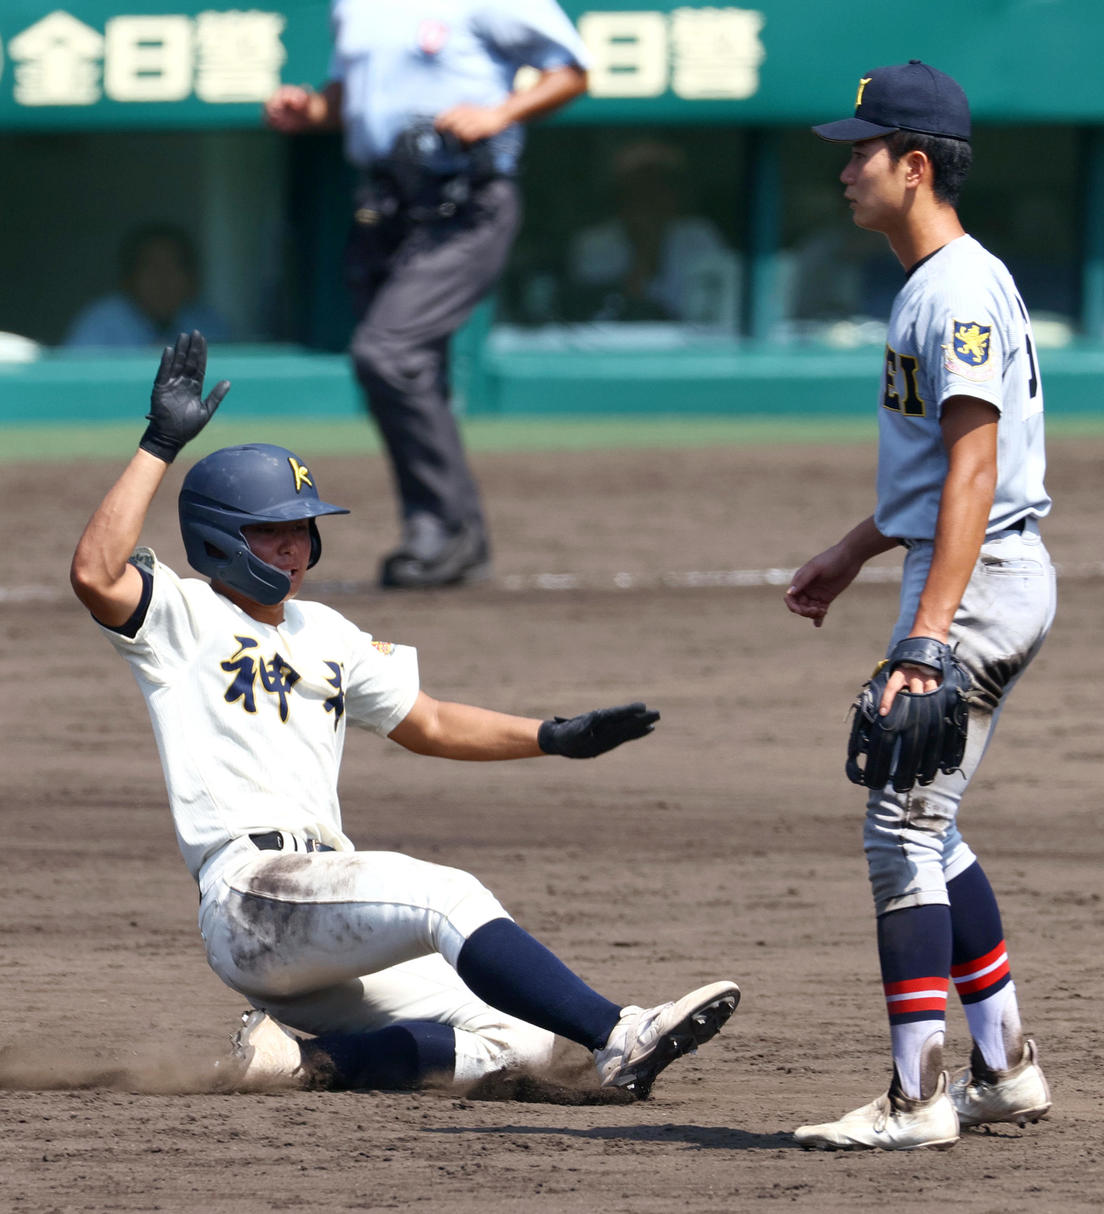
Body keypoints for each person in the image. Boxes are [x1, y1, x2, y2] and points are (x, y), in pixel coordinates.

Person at [69, 331, 740, 1096]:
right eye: (272, 530)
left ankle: (301, 1063)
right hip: (254, 895)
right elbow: (95, 573)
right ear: (220, 537)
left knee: (527, 1042)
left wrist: (552, 737)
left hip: (323, 909)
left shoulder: (325, 631)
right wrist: (159, 444)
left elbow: (430, 723)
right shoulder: (181, 618)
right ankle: (622, 1033)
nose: (293, 547)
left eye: (302, 528)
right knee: (444, 894)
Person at [783, 61, 1056, 1151]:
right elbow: (938, 475)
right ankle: (1004, 1069)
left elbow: (974, 470)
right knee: (931, 828)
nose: (845, 168)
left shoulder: (953, 291)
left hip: (977, 583)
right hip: (976, 571)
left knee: (898, 828)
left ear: (915, 166)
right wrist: (854, 549)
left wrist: (927, 637)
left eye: (862, 150)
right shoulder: (938, 281)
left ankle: (916, 1099)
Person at [263, 2, 589, 591]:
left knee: (388, 353)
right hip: (386, 205)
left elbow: (571, 72)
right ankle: (448, 536)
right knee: (405, 371)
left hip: (466, 201)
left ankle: (444, 531)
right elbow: (350, 96)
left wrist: (500, 112)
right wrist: (310, 110)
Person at [565, 139, 738, 327]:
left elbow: (718, 304)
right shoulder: (592, 244)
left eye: (660, 186)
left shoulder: (700, 235)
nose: (650, 197)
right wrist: (644, 252)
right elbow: (598, 312)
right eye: (640, 188)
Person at [63, 223, 230, 349]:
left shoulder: (207, 322)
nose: (163, 280)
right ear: (129, 278)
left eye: (173, 269)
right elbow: (77, 379)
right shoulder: (101, 322)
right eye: (152, 268)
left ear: (191, 279)